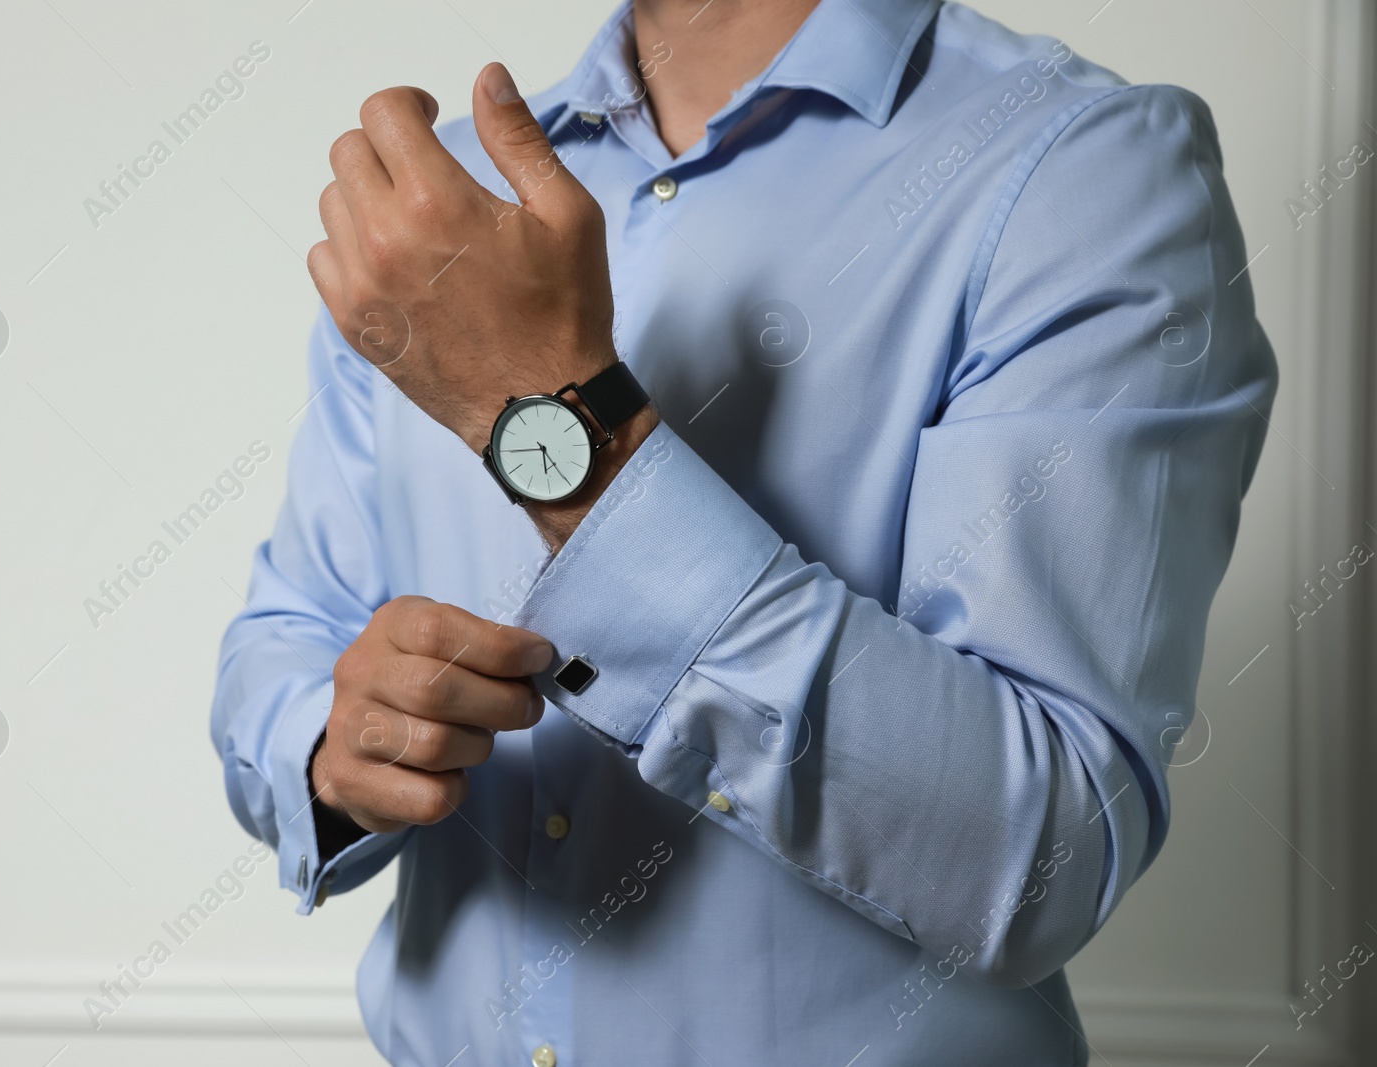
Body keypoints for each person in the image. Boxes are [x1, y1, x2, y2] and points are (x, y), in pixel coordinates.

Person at [210, 0, 1276, 1062]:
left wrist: (546, 412)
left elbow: (1042, 849)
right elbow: (284, 640)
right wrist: (334, 747)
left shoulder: (1082, 173)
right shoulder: (431, 214)